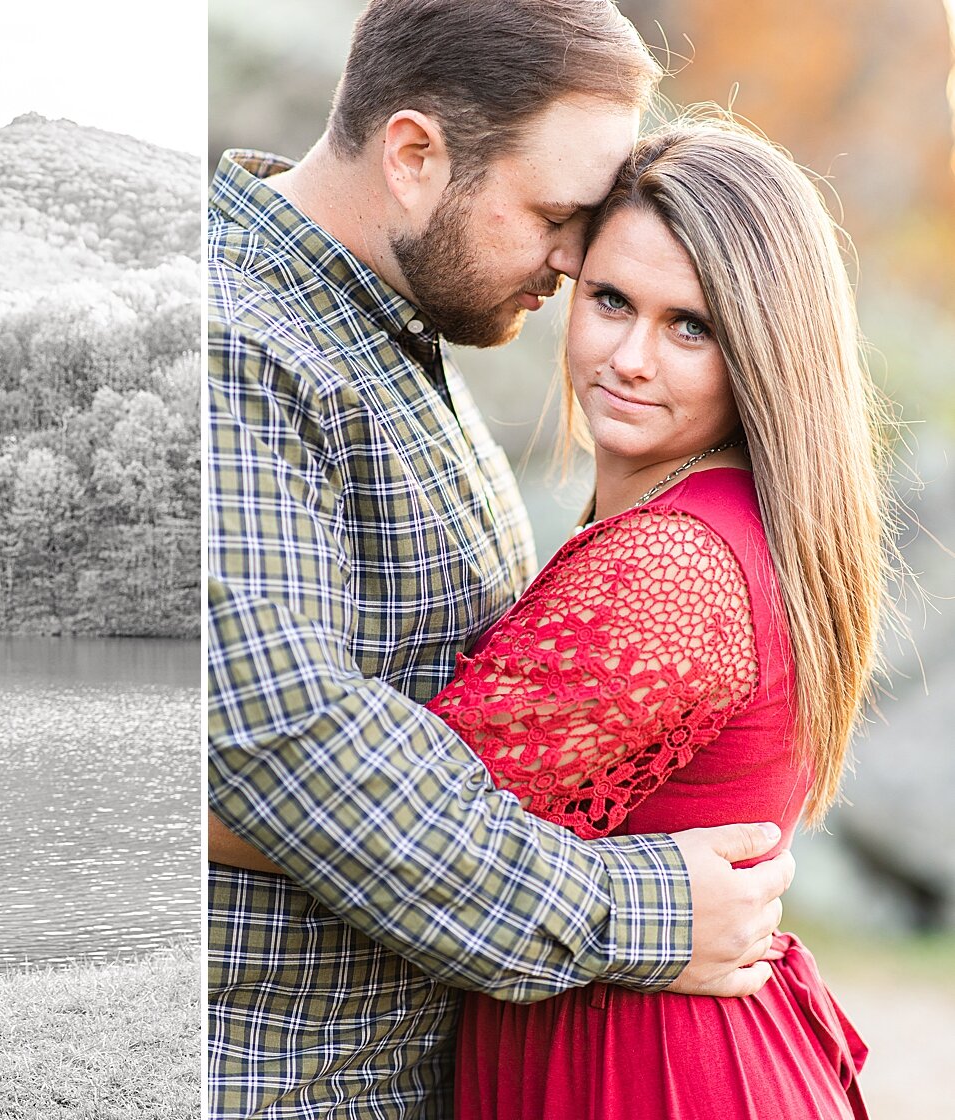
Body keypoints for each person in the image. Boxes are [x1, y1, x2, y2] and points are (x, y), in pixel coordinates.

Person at [207, 1, 794, 1115]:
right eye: (560, 217)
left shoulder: (382, 334)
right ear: (417, 156)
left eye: (687, 322)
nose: (577, 262)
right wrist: (645, 909)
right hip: (274, 1079)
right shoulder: (240, 349)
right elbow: (287, 744)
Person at [426, 114, 889, 1119]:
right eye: (611, 300)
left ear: (763, 351)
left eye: (692, 326)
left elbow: (396, 827)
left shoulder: (671, 567)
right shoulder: (726, 523)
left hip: (644, 1072)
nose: (630, 356)